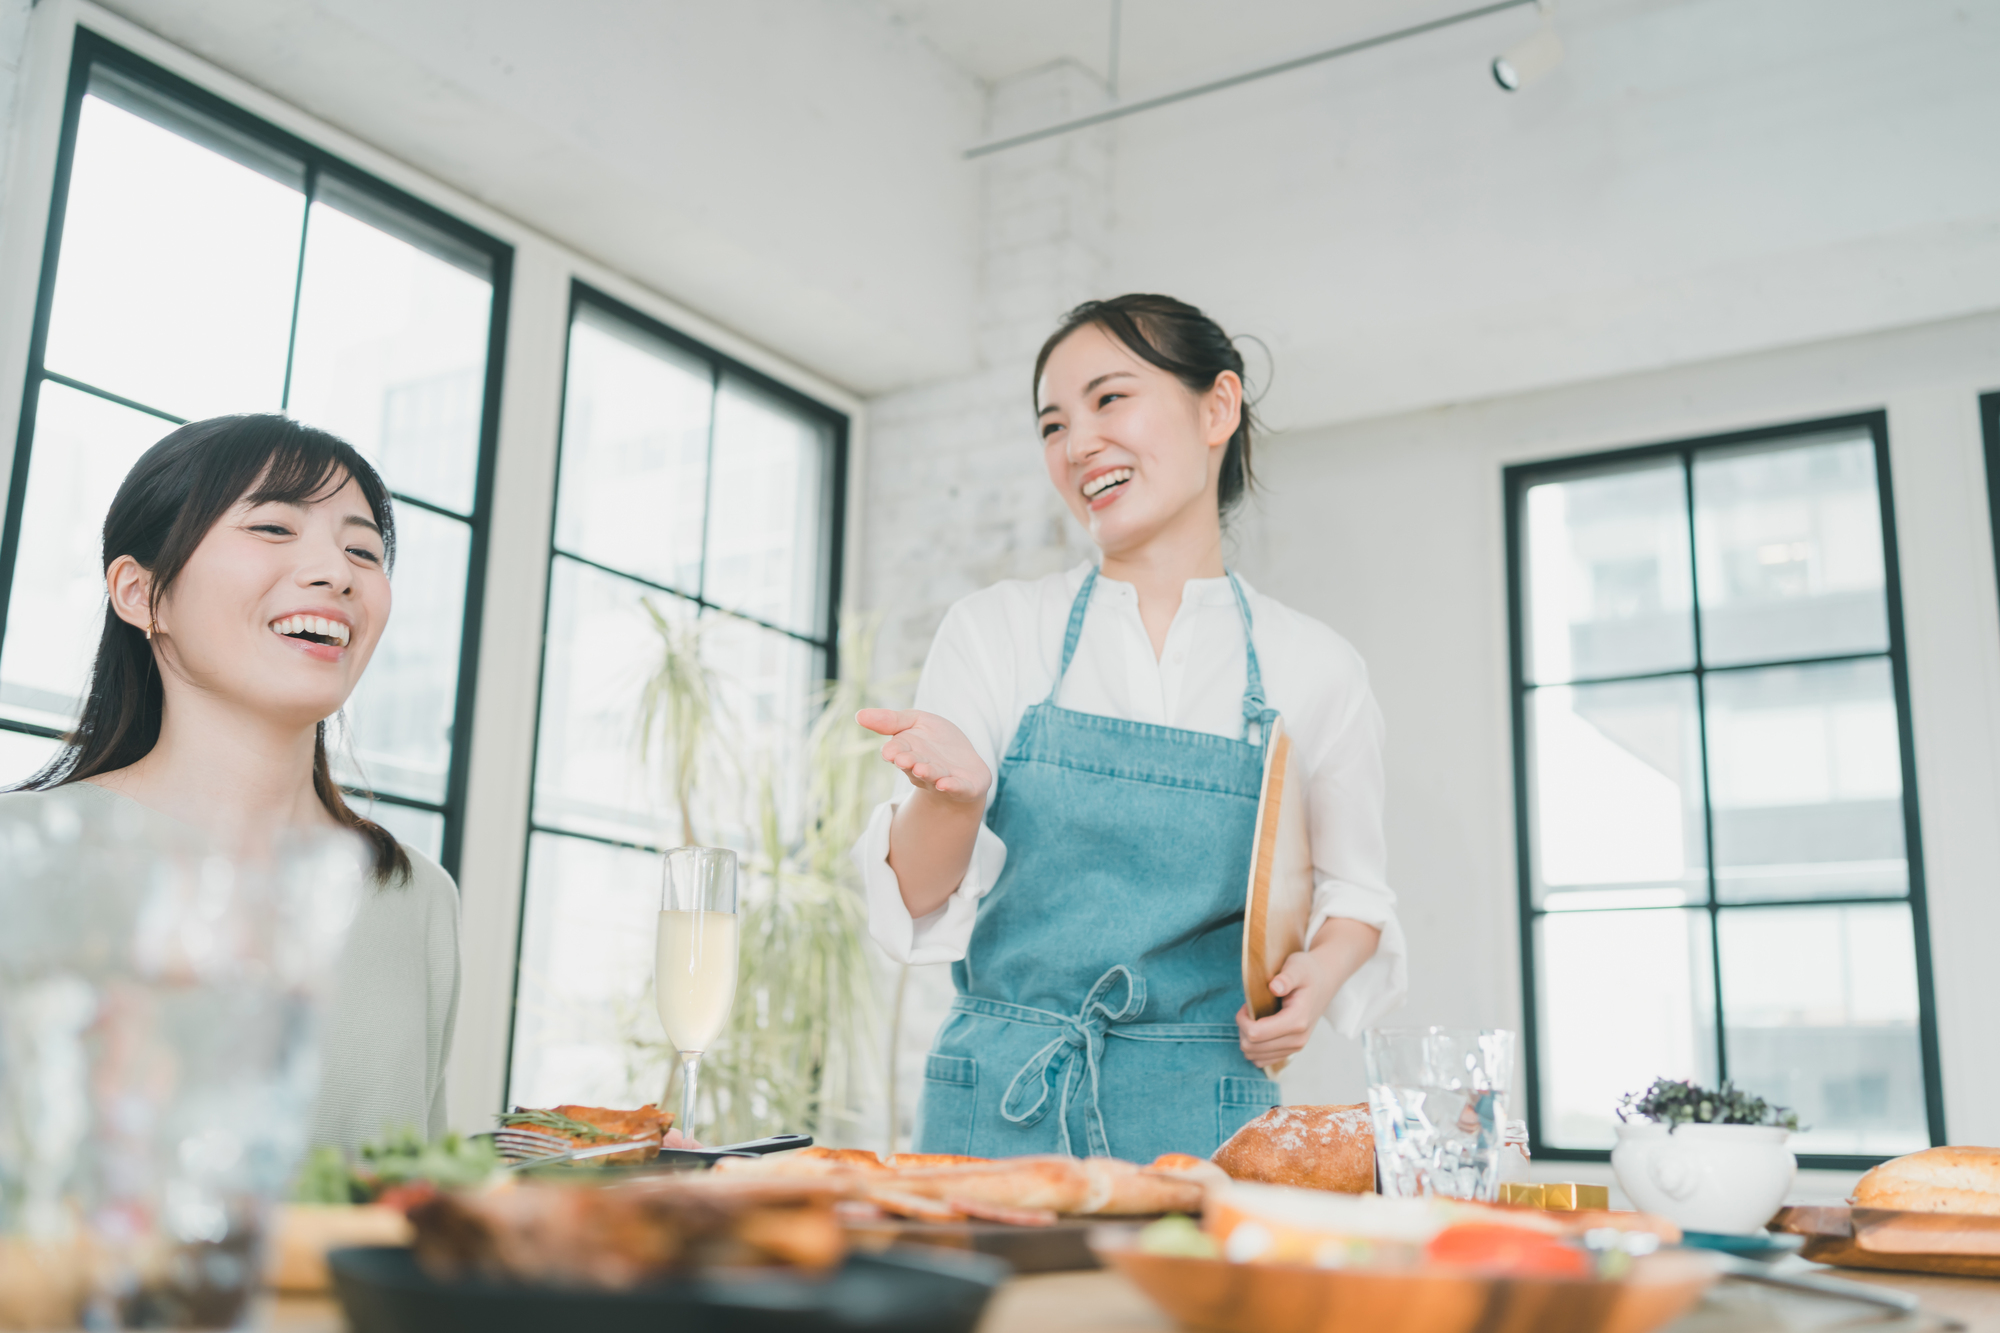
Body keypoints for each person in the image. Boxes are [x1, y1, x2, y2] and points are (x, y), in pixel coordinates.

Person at [853, 295, 1407, 1161]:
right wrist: (957, 803)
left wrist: (1317, 979)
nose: (1077, 444)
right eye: (1052, 424)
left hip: (1206, 1116)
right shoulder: (997, 631)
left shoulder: (1316, 667)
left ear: (1216, 407)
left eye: (1110, 399)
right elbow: (917, 897)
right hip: (996, 1106)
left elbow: (1356, 895)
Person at [1, 414, 458, 1154]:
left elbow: (418, 1199)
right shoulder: (20, 855)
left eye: (362, 549)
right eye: (275, 527)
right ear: (140, 593)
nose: (336, 571)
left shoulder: (420, 898)